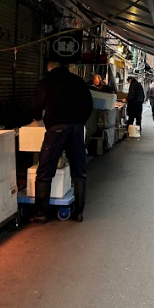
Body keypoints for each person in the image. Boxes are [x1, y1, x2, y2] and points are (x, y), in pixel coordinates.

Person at [30, 61, 93, 223]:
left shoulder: (46, 82)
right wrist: (80, 122)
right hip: (77, 129)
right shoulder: (78, 81)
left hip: (56, 129)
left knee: (45, 170)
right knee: (79, 172)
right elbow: (89, 105)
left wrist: (37, 117)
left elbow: (37, 106)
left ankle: (41, 213)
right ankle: (78, 213)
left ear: (49, 68)